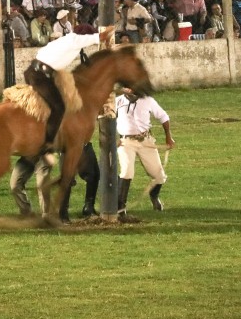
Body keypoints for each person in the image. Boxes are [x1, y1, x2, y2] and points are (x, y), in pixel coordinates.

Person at [24, 23, 114, 162]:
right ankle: (47, 145)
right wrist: (112, 28)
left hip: (37, 73)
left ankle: (58, 135)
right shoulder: (76, 40)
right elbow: (101, 36)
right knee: (58, 107)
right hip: (41, 77)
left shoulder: (66, 40)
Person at [115, 87, 175, 218]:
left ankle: (154, 196)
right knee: (127, 172)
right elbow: (105, 119)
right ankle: (120, 208)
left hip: (146, 141)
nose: (128, 89)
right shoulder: (117, 101)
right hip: (126, 142)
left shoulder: (148, 100)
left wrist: (168, 137)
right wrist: (113, 139)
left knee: (159, 176)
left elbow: (163, 116)